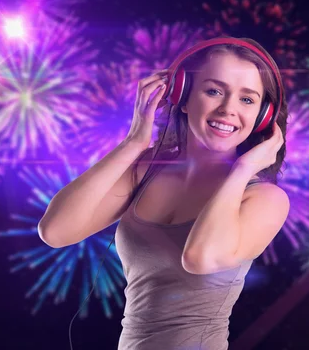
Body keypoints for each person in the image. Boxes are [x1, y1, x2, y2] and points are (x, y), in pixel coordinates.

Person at [38, 37, 290, 349]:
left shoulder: (264, 199)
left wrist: (242, 169)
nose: (228, 109)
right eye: (214, 91)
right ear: (183, 96)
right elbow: (56, 230)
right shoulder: (146, 170)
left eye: (247, 100)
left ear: (263, 117)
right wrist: (134, 143)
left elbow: (200, 257)